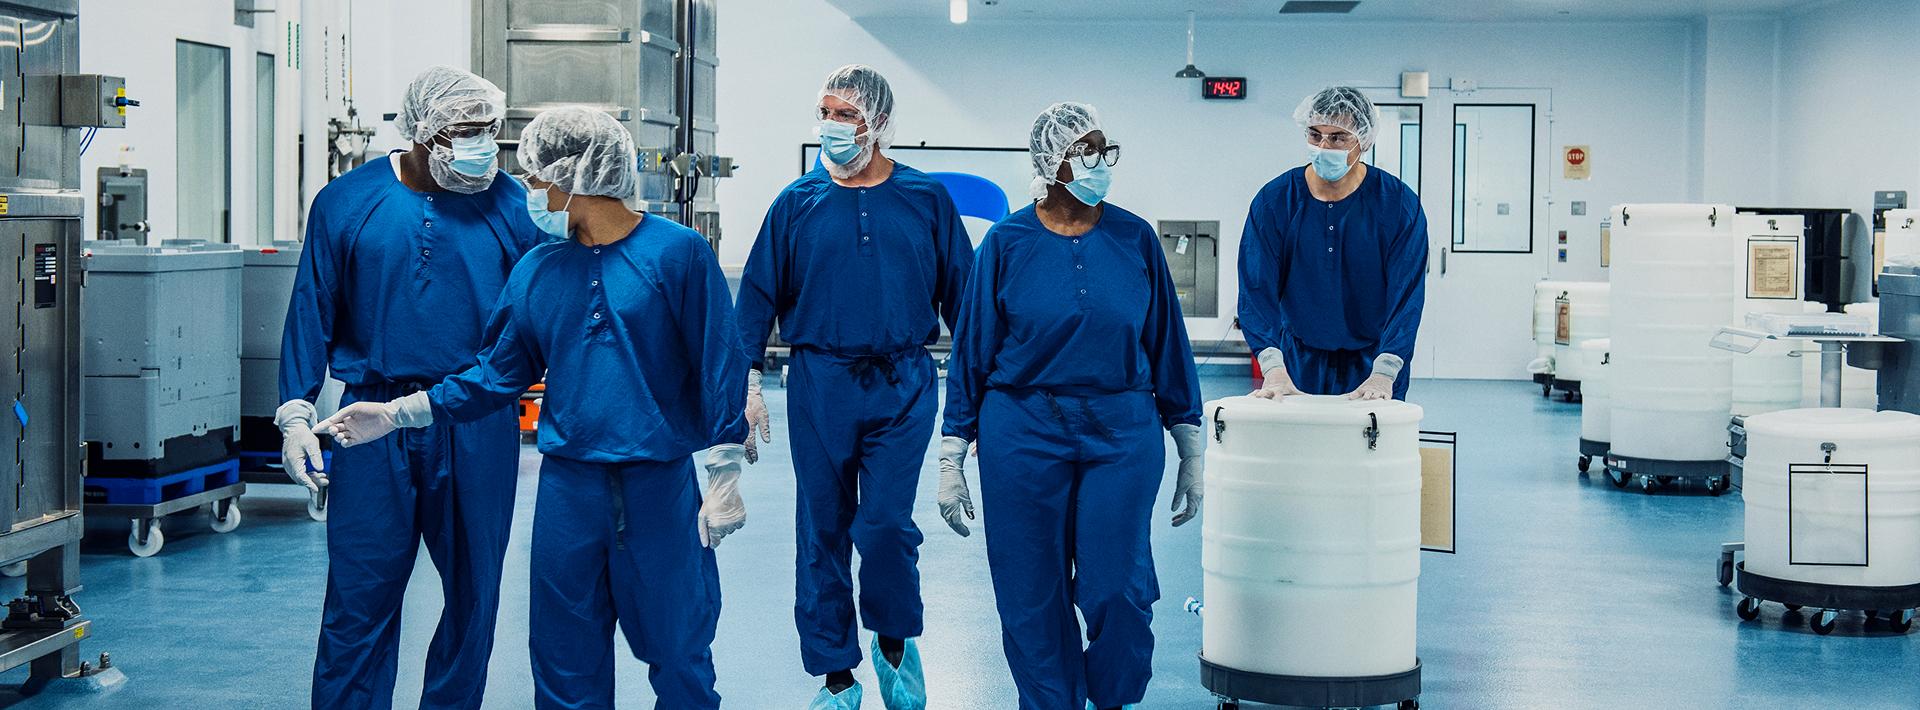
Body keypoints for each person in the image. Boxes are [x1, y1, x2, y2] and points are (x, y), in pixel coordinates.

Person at [313, 106, 749, 710]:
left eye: (540, 179)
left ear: (576, 177)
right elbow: (495, 375)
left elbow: (718, 361)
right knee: (564, 664)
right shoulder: (539, 269)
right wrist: (397, 413)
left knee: (679, 655)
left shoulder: (679, 255)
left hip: (658, 484)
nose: (532, 193)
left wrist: (724, 469)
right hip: (569, 489)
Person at [274, 65, 540, 710]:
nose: (481, 145)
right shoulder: (347, 200)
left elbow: (540, 310)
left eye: (489, 131)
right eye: (464, 131)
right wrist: (295, 411)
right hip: (368, 420)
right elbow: (312, 305)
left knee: (475, 596)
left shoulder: (513, 205)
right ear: (422, 132)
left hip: (473, 417)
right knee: (358, 597)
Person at [937, 102, 1205, 710]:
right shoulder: (1006, 243)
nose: (1100, 162)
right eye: (1086, 150)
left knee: (1118, 585)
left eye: (1105, 149)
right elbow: (973, 348)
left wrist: (1189, 442)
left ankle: (1111, 698)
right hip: (1023, 430)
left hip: (1123, 430)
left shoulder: (1134, 237)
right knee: (1031, 589)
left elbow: (1166, 340)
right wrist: (953, 450)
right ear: (1050, 162)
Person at [734, 64, 973, 710]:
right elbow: (755, 297)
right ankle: (837, 674)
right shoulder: (796, 204)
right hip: (819, 383)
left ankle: (894, 642)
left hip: (903, 383)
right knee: (822, 529)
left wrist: (982, 401)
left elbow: (968, 302)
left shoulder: (925, 200)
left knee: (887, 526)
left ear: (880, 124)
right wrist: (747, 380)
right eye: (826, 112)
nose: (832, 126)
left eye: (847, 115)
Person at [1238, 86, 1429, 402]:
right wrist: (1272, 366)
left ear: (1363, 141)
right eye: (1315, 135)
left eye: (1338, 137)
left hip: (1374, 358)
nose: (1324, 146)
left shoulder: (1396, 205)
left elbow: (1406, 297)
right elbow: (1256, 290)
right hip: (1297, 359)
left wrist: (1385, 372)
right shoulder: (1275, 203)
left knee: (1368, 447)